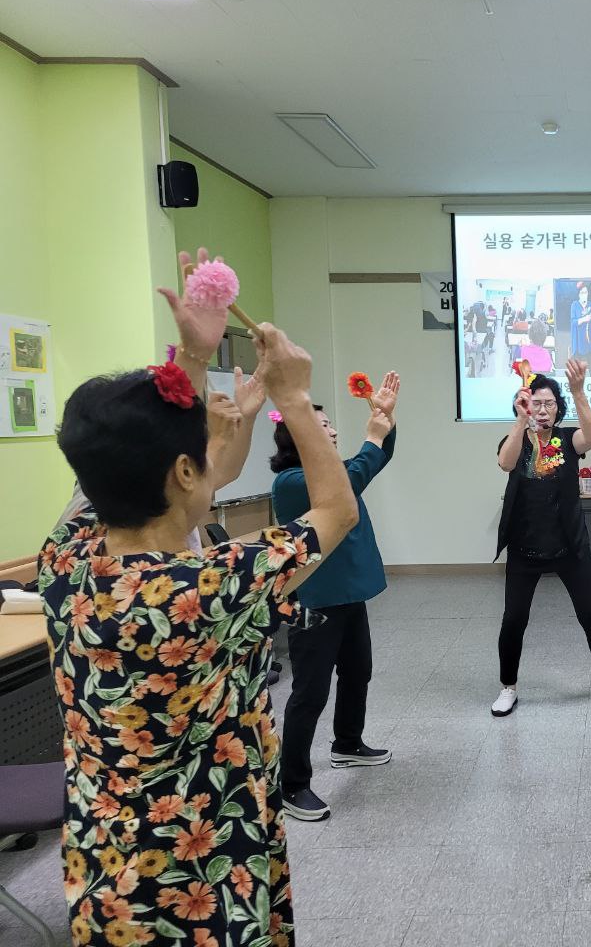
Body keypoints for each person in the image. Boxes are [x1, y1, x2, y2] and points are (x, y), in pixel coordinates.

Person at [40, 248, 357, 946]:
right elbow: (335, 512)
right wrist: (294, 398)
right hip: (206, 859)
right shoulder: (208, 586)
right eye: (200, 451)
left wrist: (193, 354)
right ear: (185, 470)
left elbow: (165, 462)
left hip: (107, 857)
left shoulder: (63, 560)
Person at [270, 372, 401, 822]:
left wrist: (385, 422)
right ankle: (293, 785)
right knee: (309, 691)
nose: (330, 430)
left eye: (329, 425)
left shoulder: (333, 471)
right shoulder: (291, 481)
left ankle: (347, 743)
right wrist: (371, 437)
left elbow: (373, 462)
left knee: (357, 671)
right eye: (321, 426)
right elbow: (353, 477)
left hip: (349, 595)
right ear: (297, 437)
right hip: (315, 601)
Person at [491, 359, 591, 716]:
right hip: (525, 548)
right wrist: (521, 420)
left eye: (549, 403)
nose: (542, 408)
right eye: (535, 402)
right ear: (524, 404)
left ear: (558, 407)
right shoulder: (516, 440)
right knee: (513, 619)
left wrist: (579, 391)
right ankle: (508, 688)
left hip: (569, 547)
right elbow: (505, 464)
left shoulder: (568, 440)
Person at [569, 284, 591, 374]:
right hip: (578, 341)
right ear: (579, 294)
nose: (584, 294)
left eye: (585, 292)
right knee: (577, 370)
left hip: (588, 340)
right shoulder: (574, 305)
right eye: (582, 292)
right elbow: (573, 322)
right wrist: (583, 319)